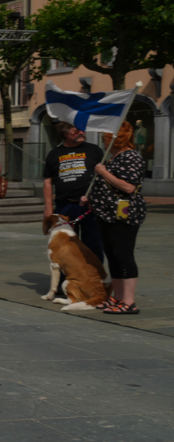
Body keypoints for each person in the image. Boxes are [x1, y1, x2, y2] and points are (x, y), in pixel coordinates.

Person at [86, 122, 146, 315]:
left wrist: (103, 173)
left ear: (115, 140)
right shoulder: (114, 158)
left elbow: (128, 187)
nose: (104, 144)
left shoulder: (131, 157)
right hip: (108, 215)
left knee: (123, 256)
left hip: (124, 214)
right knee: (113, 256)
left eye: (106, 140)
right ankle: (118, 297)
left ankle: (129, 301)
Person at [42, 121, 104, 261]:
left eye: (82, 130)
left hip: (89, 206)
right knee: (65, 245)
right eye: (76, 131)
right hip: (65, 206)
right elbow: (47, 181)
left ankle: (96, 279)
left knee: (93, 244)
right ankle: (67, 280)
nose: (81, 133)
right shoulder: (54, 153)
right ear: (64, 133)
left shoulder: (94, 150)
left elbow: (103, 177)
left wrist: (96, 200)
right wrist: (48, 209)